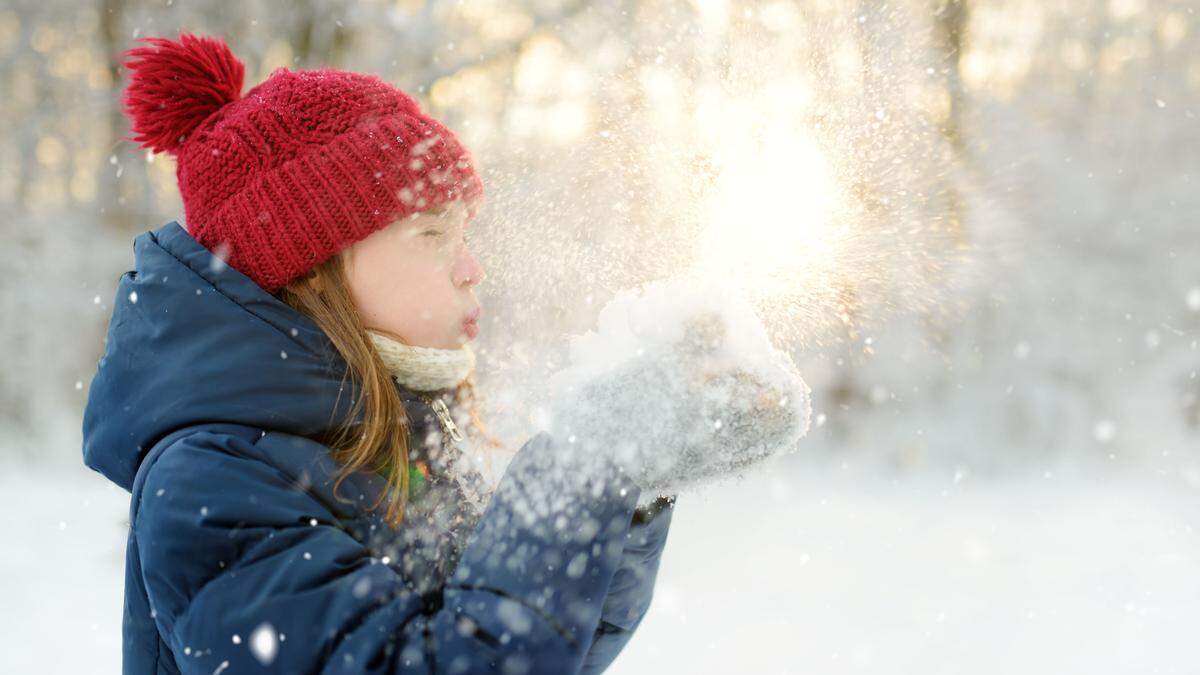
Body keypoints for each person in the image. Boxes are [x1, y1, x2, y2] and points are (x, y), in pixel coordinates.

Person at [83, 32, 809, 675]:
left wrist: (628, 484)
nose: (470, 268)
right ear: (312, 265)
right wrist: (575, 473)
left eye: (466, 235)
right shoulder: (213, 478)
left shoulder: (385, 437)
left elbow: (532, 646)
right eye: (432, 235)